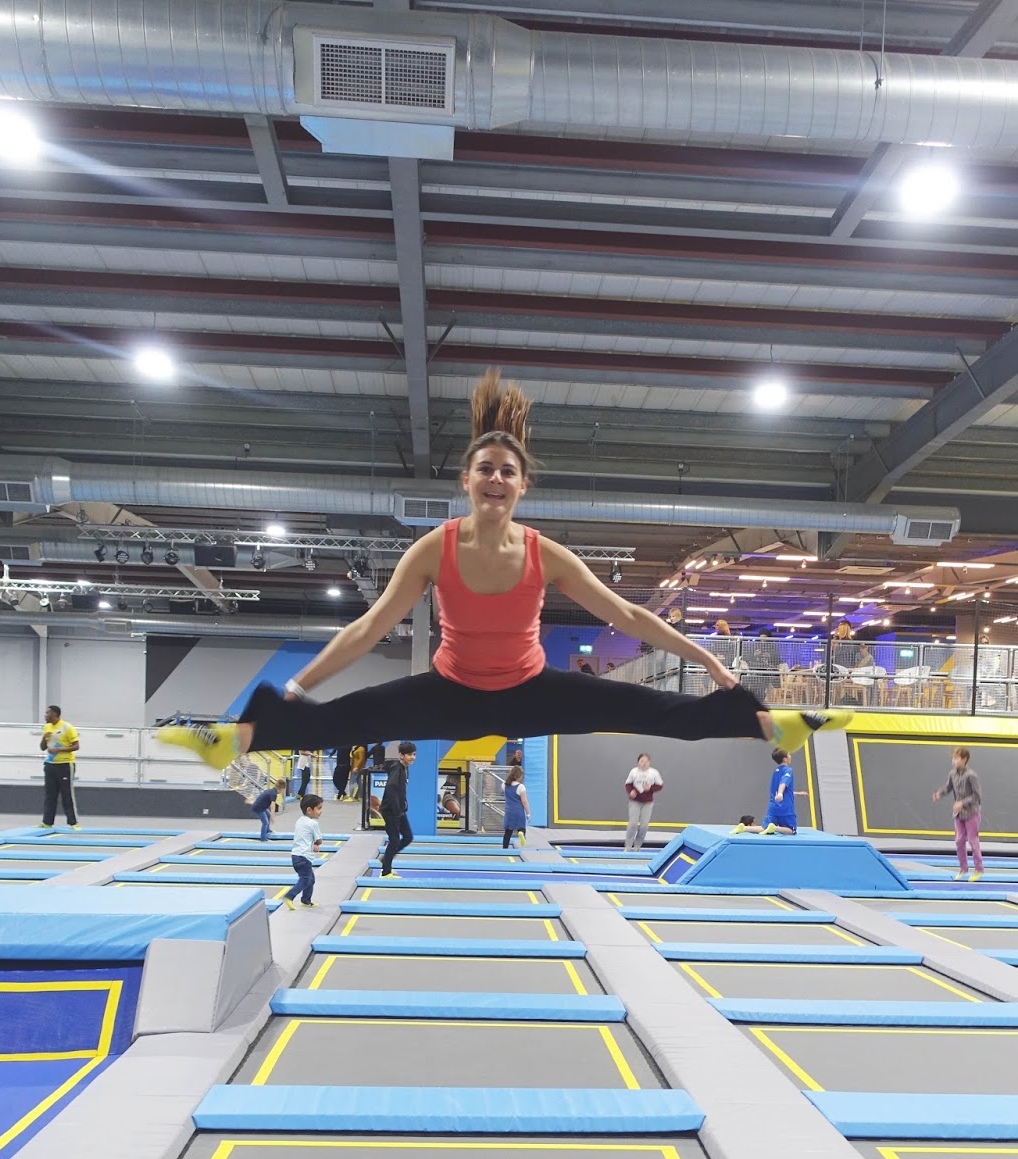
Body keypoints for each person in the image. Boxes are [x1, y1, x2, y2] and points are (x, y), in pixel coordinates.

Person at [158, 370, 849, 772]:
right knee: (346, 718)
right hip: (450, 692)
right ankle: (237, 739)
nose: (495, 479)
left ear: (522, 486)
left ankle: (770, 726)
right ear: (466, 480)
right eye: (484, 469)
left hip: (530, 691)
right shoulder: (433, 550)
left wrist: (711, 663)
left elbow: (628, 616)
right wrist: (296, 687)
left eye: (507, 472)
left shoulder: (546, 554)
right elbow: (369, 629)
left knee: (649, 709)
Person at [933, 747, 983, 881]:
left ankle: (978, 869)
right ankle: (963, 868)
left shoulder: (971, 775)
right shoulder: (952, 774)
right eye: (953, 758)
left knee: (972, 840)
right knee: (959, 840)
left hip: (972, 813)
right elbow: (948, 787)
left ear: (964, 759)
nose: (953, 761)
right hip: (958, 814)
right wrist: (939, 793)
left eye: (956, 758)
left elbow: (977, 796)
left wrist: (962, 803)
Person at [37, 704, 80, 829]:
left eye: (47, 713)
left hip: (65, 765)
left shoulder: (67, 727)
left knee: (67, 794)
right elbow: (42, 747)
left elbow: (76, 746)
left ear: (54, 714)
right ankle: (47, 822)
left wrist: (59, 749)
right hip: (50, 765)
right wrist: (44, 739)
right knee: (50, 795)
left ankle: (73, 823)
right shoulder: (47, 727)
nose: (45, 715)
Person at [380, 742, 417, 878]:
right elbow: (391, 787)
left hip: (399, 810)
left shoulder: (404, 768)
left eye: (414, 754)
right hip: (391, 811)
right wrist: (396, 810)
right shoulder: (397, 769)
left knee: (408, 837)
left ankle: (386, 860)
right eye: (409, 755)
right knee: (394, 840)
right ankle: (385, 872)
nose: (412, 757)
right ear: (401, 755)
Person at [283, 793, 322, 910]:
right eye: (319, 808)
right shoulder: (313, 823)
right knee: (305, 880)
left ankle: (306, 900)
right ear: (309, 810)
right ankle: (289, 896)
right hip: (304, 857)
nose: (321, 811)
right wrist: (316, 844)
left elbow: (303, 836)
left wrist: (313, 844)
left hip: (296, 855)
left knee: (311, 879)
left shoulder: (299, 821)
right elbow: (319, 840)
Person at [624, 751, 664, 851]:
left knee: (644, 826)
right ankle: (628, 846)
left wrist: (650, 788)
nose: (644, 763)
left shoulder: (654, 773)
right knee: (632, 824)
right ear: (638, 762)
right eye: (642, 761)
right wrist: (631, 791)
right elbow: (628, 784)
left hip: (647, 803)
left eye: (646, 761)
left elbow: (660, 786)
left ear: (649, 763)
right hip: (635, 802)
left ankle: (637, 847)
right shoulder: (634, 772)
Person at [763, 748, 797, 834]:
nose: (790, 756)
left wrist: (798, 793)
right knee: (791, 830)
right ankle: (775, 828)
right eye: (789, 754)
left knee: (765, 828)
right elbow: (783, 783)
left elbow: (780, 789)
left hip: (773, 807)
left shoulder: (775, 772)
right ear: (785, 759)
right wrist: (780, 794)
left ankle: (745, 828)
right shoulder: (788, 770)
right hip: (785, 809)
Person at [248, 777, 285, 842]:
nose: (283, 791)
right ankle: (263, 839)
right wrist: (272, 816)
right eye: (283, 790)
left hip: (262, 806)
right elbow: (272, 806)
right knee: (265, 822)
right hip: (259, 808)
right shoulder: (273, 794)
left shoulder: (271, 791)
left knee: (268, 815)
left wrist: (270, 815)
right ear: (281, 789)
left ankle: (267, 830)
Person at [502, 764, 529, 848]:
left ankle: (505, 848)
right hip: (518, 811)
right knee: (521, 828)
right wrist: (528, 813)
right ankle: (521, 834)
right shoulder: (521, 787)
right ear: (519, 776)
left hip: (509, 811)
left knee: (508, 832)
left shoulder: (504, 785)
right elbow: (524, 801)